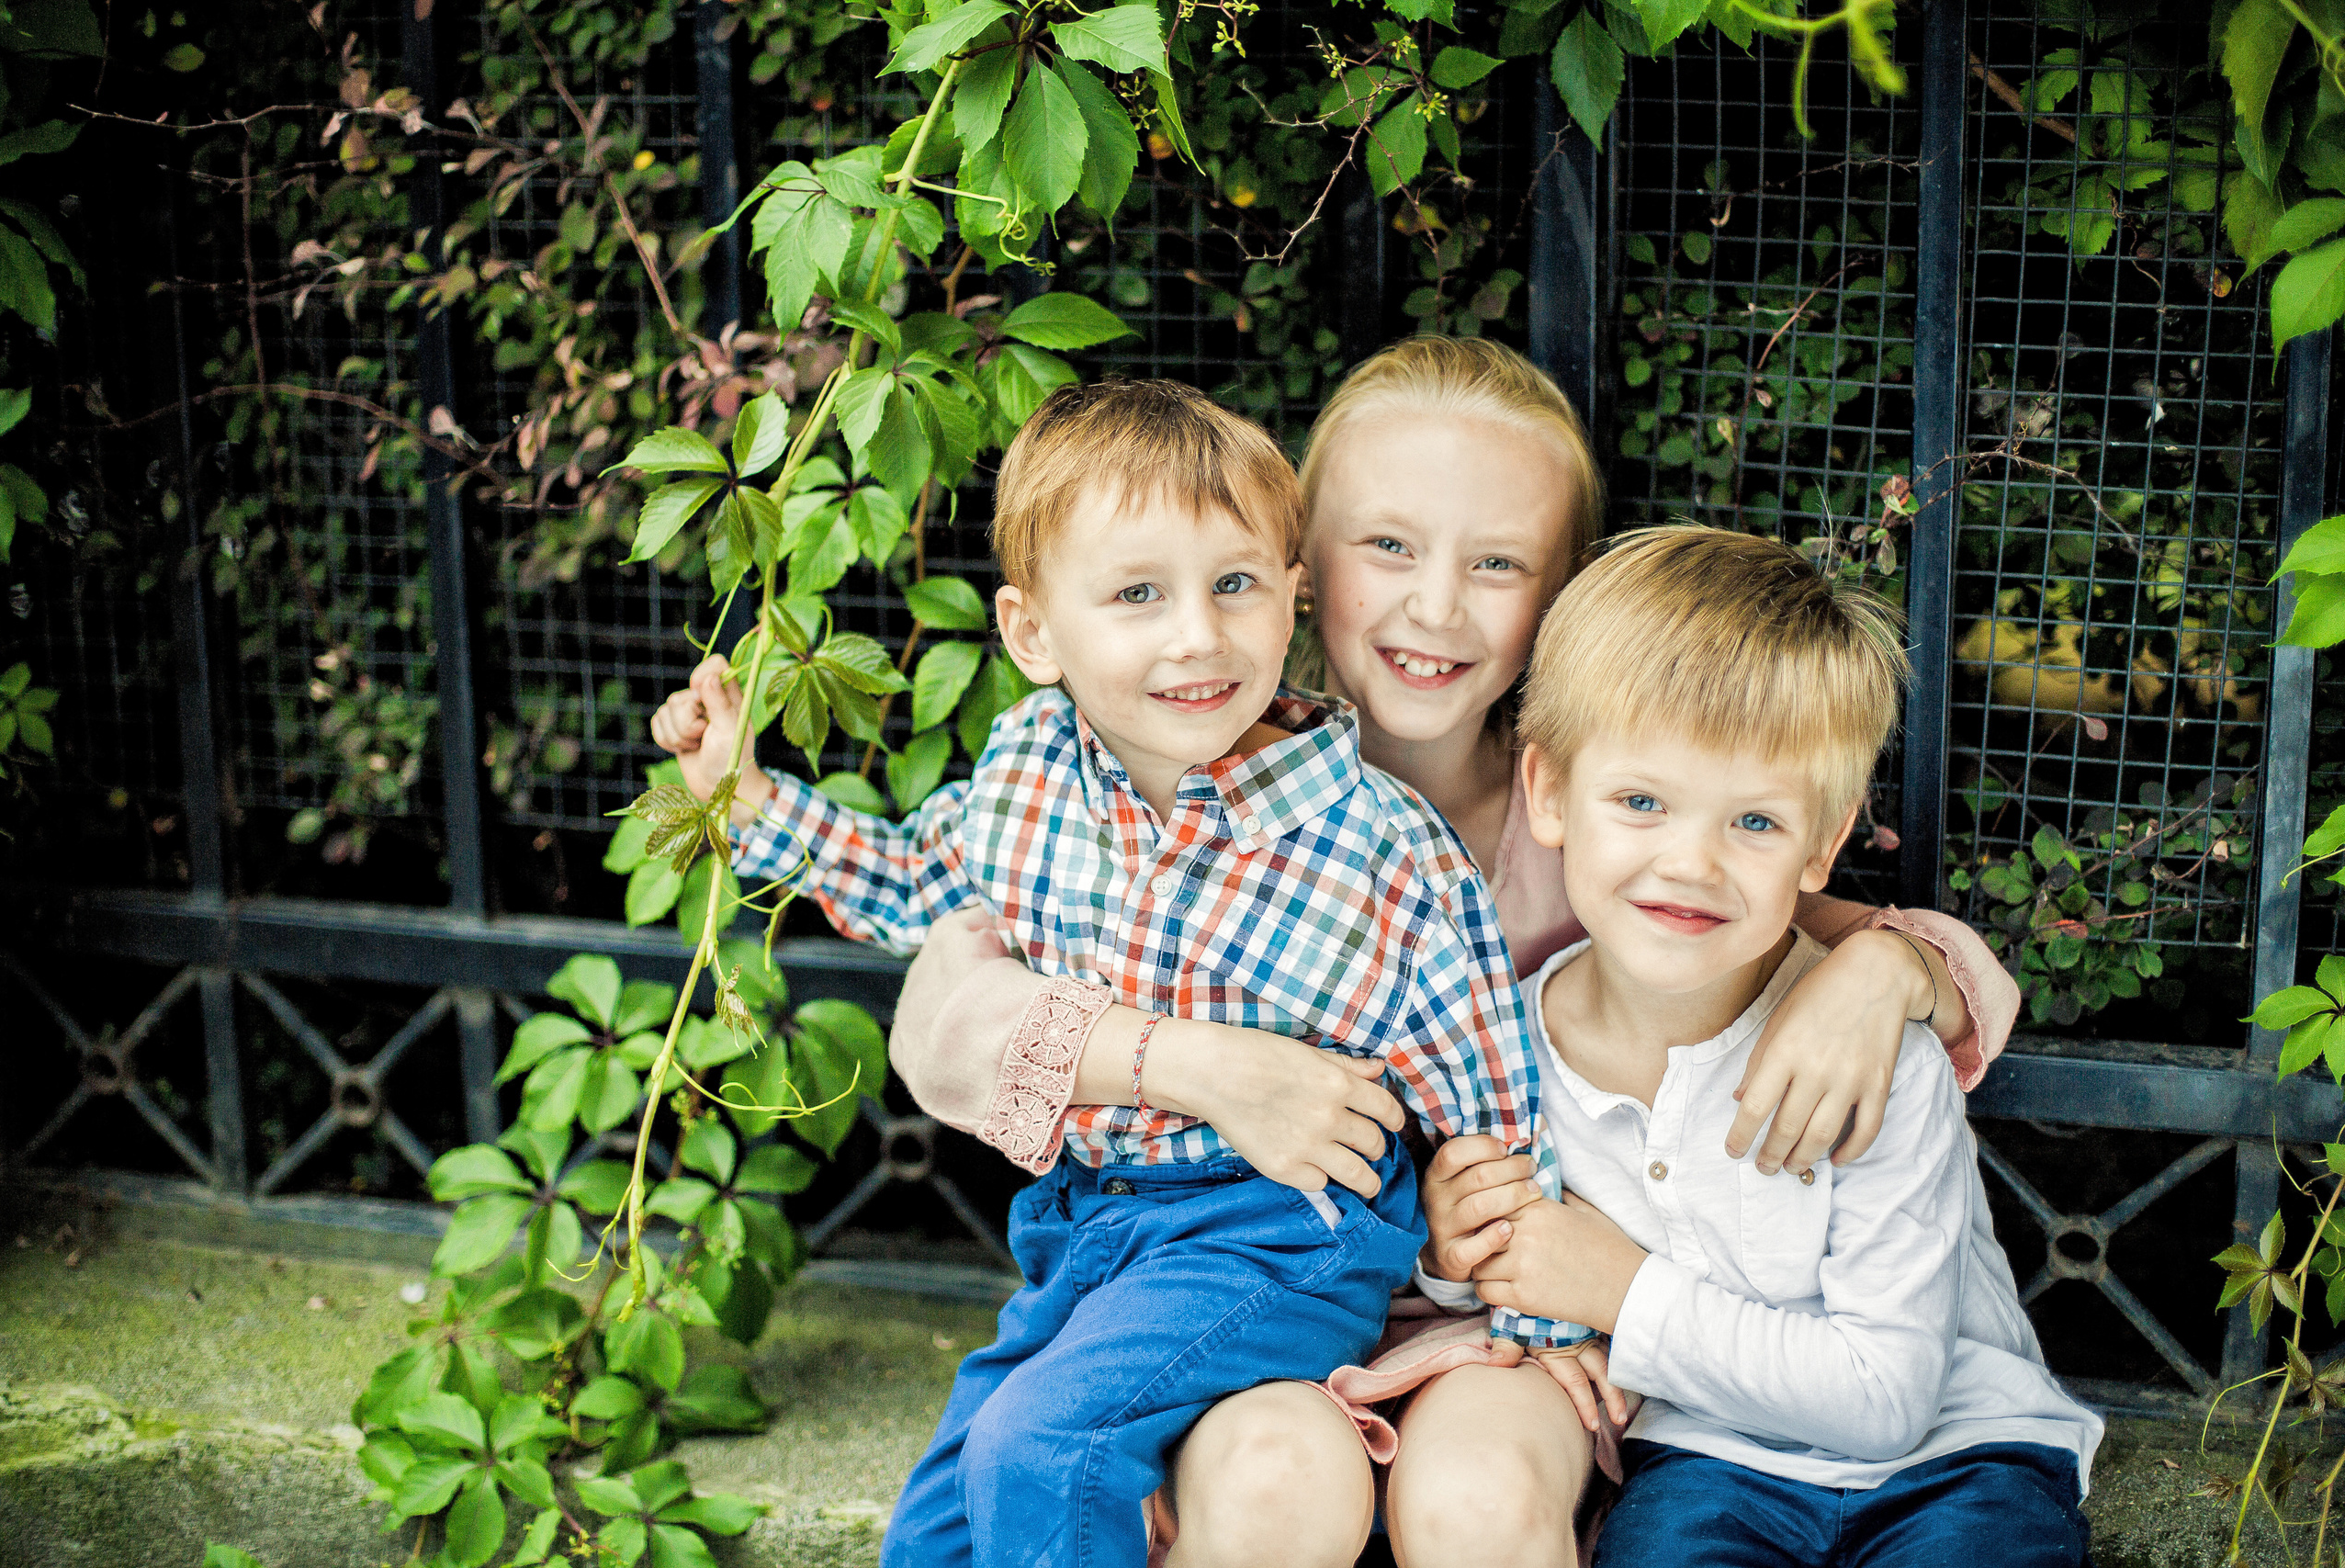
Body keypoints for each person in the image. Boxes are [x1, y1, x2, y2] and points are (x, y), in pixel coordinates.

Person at [822, 339, 2018, 1566]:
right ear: (1298, 564)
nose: (1436, 607)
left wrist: (1888, 972)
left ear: (1558, 599)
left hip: (1503, 1319)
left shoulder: (1605, 827)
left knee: (1481, 1489)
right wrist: (1197, 1064)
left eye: (1497, 564)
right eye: (1387, 546)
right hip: (1235, 1301)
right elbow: (946, 1021)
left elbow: (1861, 941)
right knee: (1265, 1472)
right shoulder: (1149, 778)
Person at [652, 377, 1588, 1568]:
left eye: (1234, 585)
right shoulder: (1030, 773)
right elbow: (914, 884)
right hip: (1089, 1221)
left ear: (1289, 594)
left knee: (1042, 1447)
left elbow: (1491, 1096)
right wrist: (750, 802)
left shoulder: (1379, 846)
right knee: (944, 1516)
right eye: (1139, 593)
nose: (1197, 633)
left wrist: (1531, 1313)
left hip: (1276, 1226)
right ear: (1031, 634)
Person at [1417, 525, 2099, 1568]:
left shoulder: (1872, 1060)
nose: (1690, 862)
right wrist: (1451, 1253)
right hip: (1703, 1461)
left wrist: (1623, 1291)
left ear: (1823, 842)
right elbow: (1516, 1277)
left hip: (1958, 1457)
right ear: (1548, 792)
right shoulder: (1506, 1051)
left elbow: (1885, 1403)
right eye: (1641, 802)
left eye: (1755, 823)